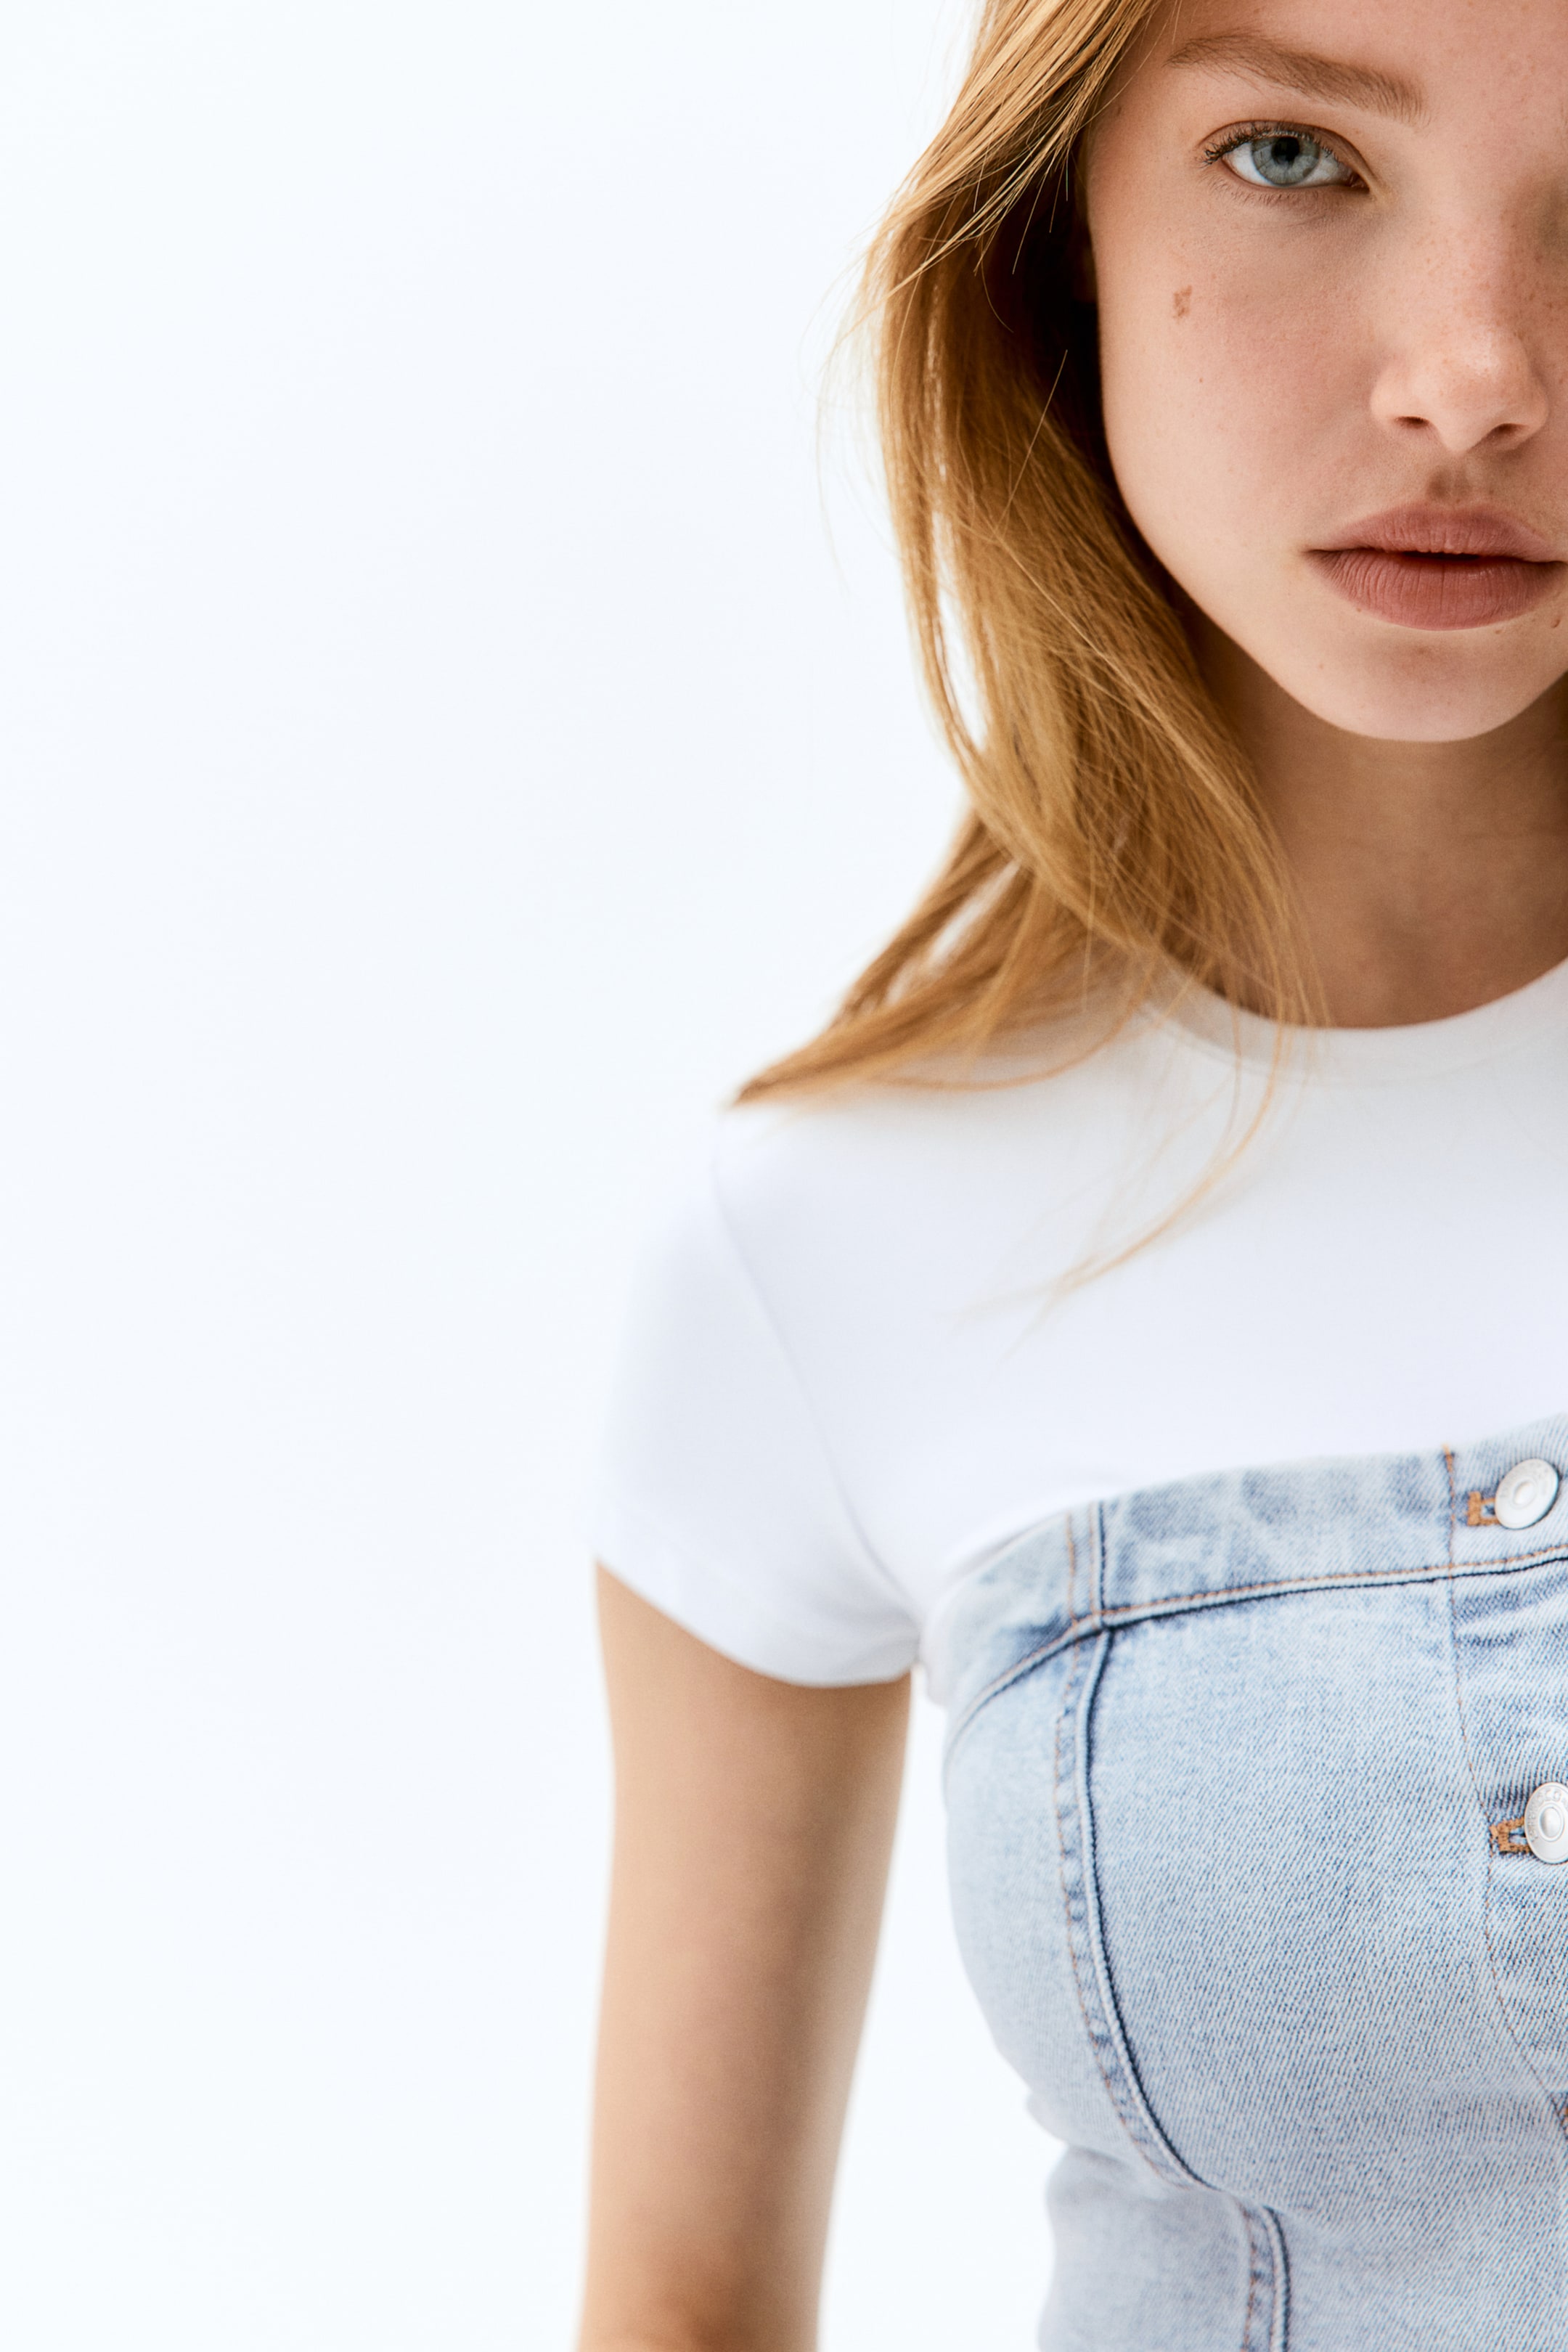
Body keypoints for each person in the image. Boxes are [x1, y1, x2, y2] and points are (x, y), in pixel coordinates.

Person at [576, 0, 1568, 2343]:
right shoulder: (825, 1247)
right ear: (1060, 241)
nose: (1475, 374)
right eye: (1299, 159)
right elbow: (687, 2306)